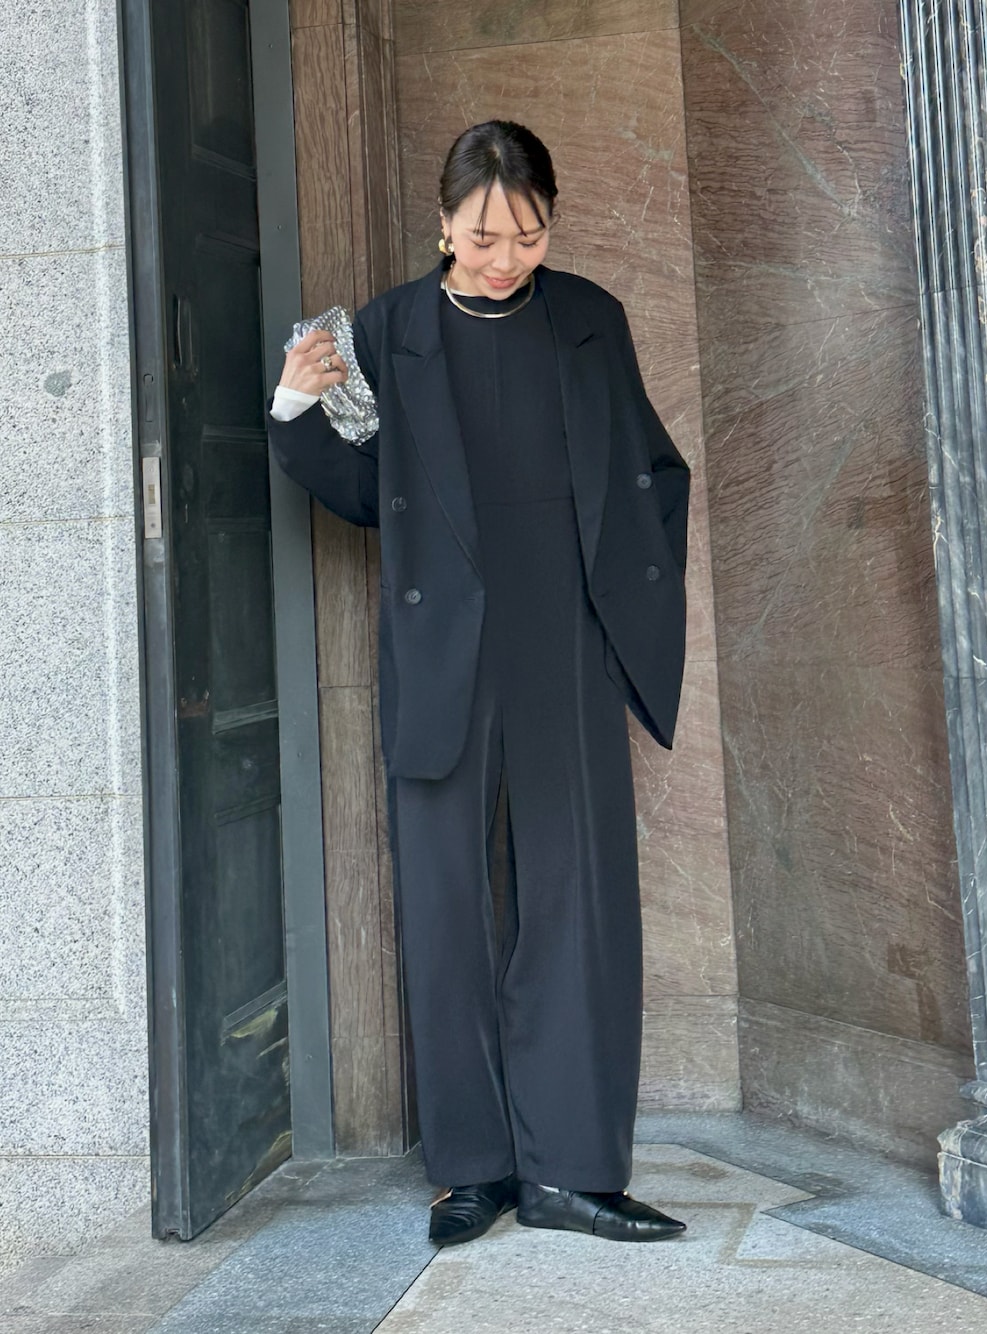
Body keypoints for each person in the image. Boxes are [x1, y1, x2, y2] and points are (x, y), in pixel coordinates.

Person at [268, 120, 690, 1247]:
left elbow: (653, 467)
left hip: (567, 640)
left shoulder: (590, 318)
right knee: (446, 901)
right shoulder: (390, 331)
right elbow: (365, 494)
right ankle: (474, 1169)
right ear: (444, 222)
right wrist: (297, 410)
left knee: (578, 897)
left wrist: (631, 606)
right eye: (484, 234)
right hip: (442, 642)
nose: (506, 257)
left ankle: (574, 1173)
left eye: (528, 234)